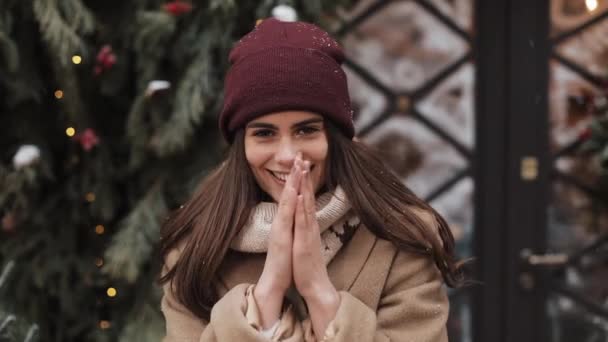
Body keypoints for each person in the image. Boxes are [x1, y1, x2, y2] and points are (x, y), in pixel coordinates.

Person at [159, 17, 463, 342]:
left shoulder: (401, 238)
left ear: (334, 138)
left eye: (306, 130)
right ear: (241, 145)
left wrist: (318, 290)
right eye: (264, 133)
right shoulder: (195, 247)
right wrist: (269, 290)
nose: (288, 155)